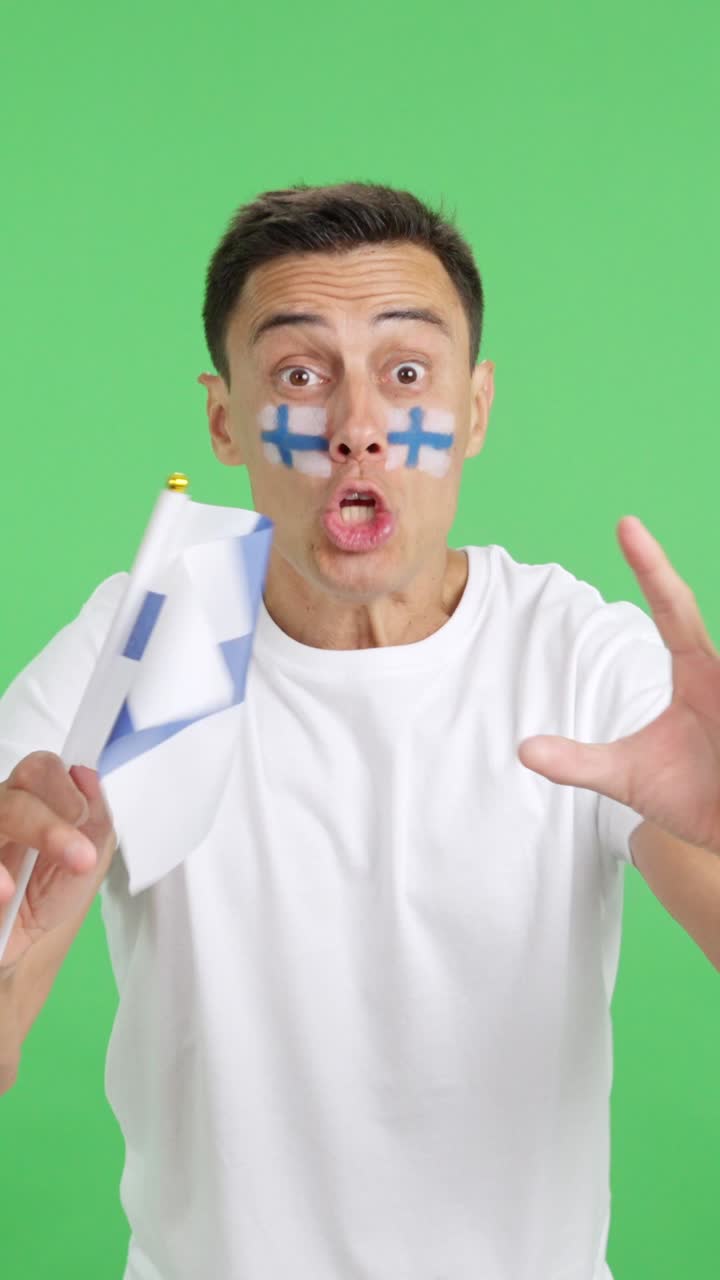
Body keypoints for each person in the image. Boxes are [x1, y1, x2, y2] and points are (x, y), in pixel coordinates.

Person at [1, 182, 719, 1280]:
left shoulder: (570, 652)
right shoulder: (160, 636)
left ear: (475, 408)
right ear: (223, 419)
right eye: (299, 374)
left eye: (407, 373)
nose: (356, 427)